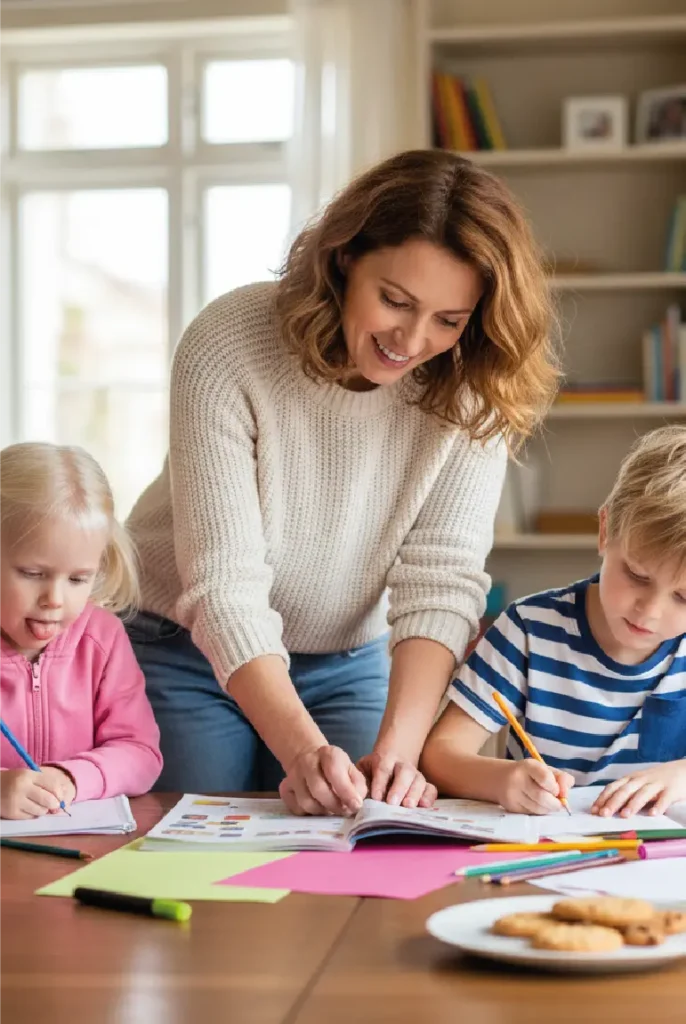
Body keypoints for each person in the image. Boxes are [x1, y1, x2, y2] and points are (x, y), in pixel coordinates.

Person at [125, 148, 558, 814]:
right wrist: (301, 750)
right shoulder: (229, 342)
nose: (412, 340)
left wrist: (402, 750)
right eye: (395, 300)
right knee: (201, 841)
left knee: (363, 829)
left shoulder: (477, 383)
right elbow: (223, 584)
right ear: (345, 257)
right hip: (185, 647)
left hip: (347, 654)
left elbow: (440, 580)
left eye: (448, 320)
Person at [421, 425, 686, 819]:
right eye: (637, 575)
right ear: (604, 532)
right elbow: (440, 756)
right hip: (543, 853)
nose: (649, 611)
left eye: (683, 597)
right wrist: (502, 781)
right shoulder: (529, 630)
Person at [0, 443, 162, 819]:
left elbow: (140, 753)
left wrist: (71, 778)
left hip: (80, 843)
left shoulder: (101, 639)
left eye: (77, 578)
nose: (54, 598)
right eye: (32, 574)